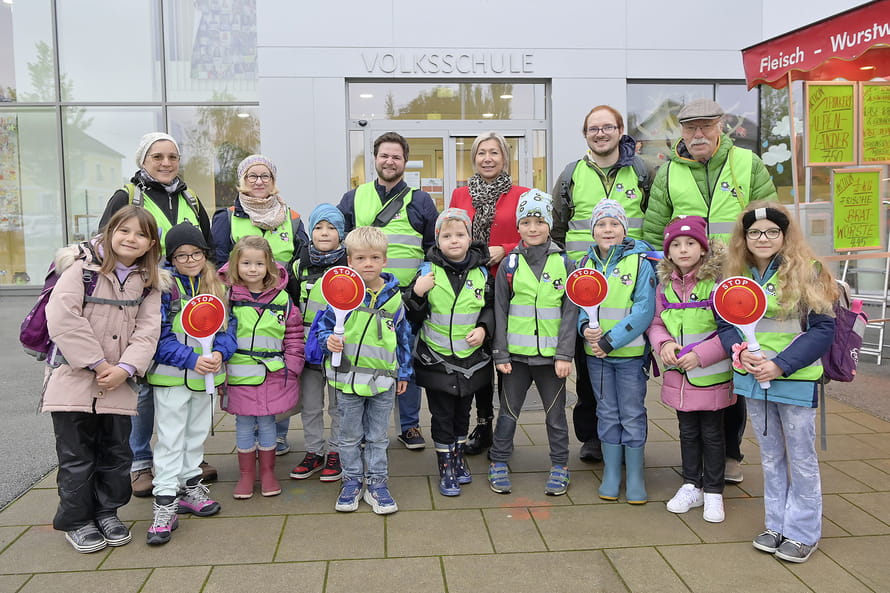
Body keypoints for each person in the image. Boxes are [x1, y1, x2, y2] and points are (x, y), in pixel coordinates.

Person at [642, 98, 779, 484]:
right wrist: (664, 281)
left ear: (721, 126)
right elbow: (654, 233)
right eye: (690, 128)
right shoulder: (668, 173)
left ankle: (731, 453)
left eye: (706, 126)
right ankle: (697, 460)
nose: (698, 134)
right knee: (696, 367)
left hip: (738, 287)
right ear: (680, 131)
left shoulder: (747, 165)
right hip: (689, 290)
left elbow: (771, 221)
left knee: (737, 368)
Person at [719, 202, 836, 563]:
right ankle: (776, 524)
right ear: (744, 237)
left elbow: (823, 329)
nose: (763, 238)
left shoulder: (808, 271)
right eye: (754, 232)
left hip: (794, 380)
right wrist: (739, 353)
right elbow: (725, 325)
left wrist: (780, 365)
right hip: (754, 380)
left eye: (772, 231)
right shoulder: (737, 274)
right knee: (770, 457)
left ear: (784, 235)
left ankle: (802, 532)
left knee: (800, 458)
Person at [99, 132, 215, 497]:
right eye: (157, 157)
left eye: (172, 157)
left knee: (189, 378)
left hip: (185, 297)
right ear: (143, 160)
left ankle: (186, 459)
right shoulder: (127, 196)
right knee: (147, 382)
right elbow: (108, 242)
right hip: (141, 295)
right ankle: (140, 462)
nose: (166, 163)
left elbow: (206, 246)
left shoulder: (190, 198)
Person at [42, 205, 162, 553]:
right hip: (74, 379)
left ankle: (107, 511)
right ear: (110, 232)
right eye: (124, 230)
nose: (131, 239)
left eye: (140, 234)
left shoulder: (149, 282)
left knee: (116, 452)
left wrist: (125, 369)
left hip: (119, 383)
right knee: (76, 454)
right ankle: (77, 520)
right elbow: (63, 317)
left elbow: (147, 331)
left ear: (150, 243)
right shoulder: (80, 270)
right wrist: (97, 364)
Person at [551, 105, 653, 464]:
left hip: (630, 285)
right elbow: (559, 228)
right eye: (593, 128)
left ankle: (630, 433)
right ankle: (593, 437)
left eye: (607, 127)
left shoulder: (642, 171)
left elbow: (654, 220)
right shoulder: (571, 174)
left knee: (630, 364)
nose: (600, 134)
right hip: (584, 287)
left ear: (620, 130)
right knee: (588, 364)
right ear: (585, 134)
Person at [337, 132, 438, 450]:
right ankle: (367, 427)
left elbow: (432, 247)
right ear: (375, 159)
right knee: (367, 357)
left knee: (404, 357)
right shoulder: (354, 197)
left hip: (406, 298)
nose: (390, 161)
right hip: (362, 298)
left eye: (396, 156)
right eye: (384, 155)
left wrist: (422, 286)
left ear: (405, 162)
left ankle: (408, 426)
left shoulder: (420, 200)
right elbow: (340, 246)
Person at [144, 223, 237, 545]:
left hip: (206, 377)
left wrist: (221, 353)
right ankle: (164, 504)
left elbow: (229, 331)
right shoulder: (162, 287)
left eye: (195, 253)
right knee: (171, 439)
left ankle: (190, 486)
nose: (190, 259)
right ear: (171, 257)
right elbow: (157, 337)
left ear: (205, 254)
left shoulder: (218, 286)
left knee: (196, 435)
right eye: (182, 255)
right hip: (172, 378)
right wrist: (191, 359)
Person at [211, 154, 308, 456]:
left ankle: (276, 434)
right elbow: (217, 260)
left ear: (273, 181)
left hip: (280, 304)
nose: (258, 181)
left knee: (276, 363)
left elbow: (302, 257)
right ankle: (247, 432)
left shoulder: (291, 217)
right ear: (242, 180)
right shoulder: (227, 216)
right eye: (252, 175)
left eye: (264, 176)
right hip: (242, 304)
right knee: (246, 362)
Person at [316, 226, 412, 515]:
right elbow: (322, 330)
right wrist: (328, 341)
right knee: (348, 436)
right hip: (346, 381)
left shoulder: (394, 299)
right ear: (349, 261)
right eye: (360, 258)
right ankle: (352, 481)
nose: (367, 264)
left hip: (383, 381)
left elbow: (404, 338)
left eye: (374, 257)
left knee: (378, 436)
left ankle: (378, 484)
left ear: (385, 260)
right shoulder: (338, 295)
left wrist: (404, 373)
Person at [487, 190, 577, 497]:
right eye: (526, 221)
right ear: (518, 226)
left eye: (539, 221)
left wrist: (565, 354)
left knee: (555, 415)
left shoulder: (565, 262)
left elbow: (570, 312)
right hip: (515, 358)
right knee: (508, 413)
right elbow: (499, 309)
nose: (533, 227)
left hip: (553, 359)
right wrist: (499, 353)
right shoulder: (510, 264)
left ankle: (560, 466)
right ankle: (498, 461)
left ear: (550, 224)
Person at [647, 216, 734, 523]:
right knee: (687, 432)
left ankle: (713, 490)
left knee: (712, 434)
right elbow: (657, 323)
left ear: (703, 248)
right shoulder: (665, 286)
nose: (684, 250)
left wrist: (701, 355)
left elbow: (730, 329)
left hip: (710, 374)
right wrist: (664, 344)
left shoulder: (717, 284)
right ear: (668, 252)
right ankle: (690, 483)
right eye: (677, 245)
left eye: (691, 243)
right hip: (679, 376)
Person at [449, 131, 529, 456]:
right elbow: (449, 234)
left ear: (505, 157)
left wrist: (505, 249)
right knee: (477, 355)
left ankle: (504, 429)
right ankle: (482, 423)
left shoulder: (523, 195)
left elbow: (533, 236)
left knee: (503, 355)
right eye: (482, 152)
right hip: (471, 284)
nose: (487, 158)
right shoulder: (460, 194)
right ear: (474, 158)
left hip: (509, 285)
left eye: (494, 152)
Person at [405, 208, 494, 496]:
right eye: (447, 235)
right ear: (437, 239)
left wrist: (483, 328)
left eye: (460, 234)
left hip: (470, 360)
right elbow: (412, 318)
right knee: (441, 415)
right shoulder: (427, 271)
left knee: (462, 413)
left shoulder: (481, 272)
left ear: (470, 238)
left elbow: (490, 308)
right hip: (437, 358)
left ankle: (458, 456)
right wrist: (417, 293)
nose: (454, 241)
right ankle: (445, 464)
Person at [578, 199, 656, 504]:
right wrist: (585, 329)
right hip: (596, 357)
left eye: (614, 224)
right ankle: (612, 472)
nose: (607, 229)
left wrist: (610, 341)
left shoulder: (640, 263)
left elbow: (643, 310)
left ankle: (635, 475)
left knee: (632, 413)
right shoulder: (585, 265)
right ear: (593, 231)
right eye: (601, 224)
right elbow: (579, 306)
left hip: (629, 355)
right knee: (607, 412)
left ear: (624, 229)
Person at [221, 236, 305, 499]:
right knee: (244, 423)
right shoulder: (228, 297)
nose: (252, 269)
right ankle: (246, 474)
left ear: (269, 266)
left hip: (273, 372)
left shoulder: (282, 299)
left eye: (259, 263)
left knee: (268, 423)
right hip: (239, 372)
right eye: (246, 263)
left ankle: (268, 472)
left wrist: (292, 365)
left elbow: (294, 333)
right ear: (235, 265)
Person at [288, 204, 348, 482]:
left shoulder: (349, 264)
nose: (325, 233)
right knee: (311, 404)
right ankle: (314, 451)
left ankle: (336, 451)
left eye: (332, 227)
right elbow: (292, 303)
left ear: (342, 233)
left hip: (338, 346)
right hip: (308, 346)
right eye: (319, 227)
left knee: (338, 405)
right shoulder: (299, 264)